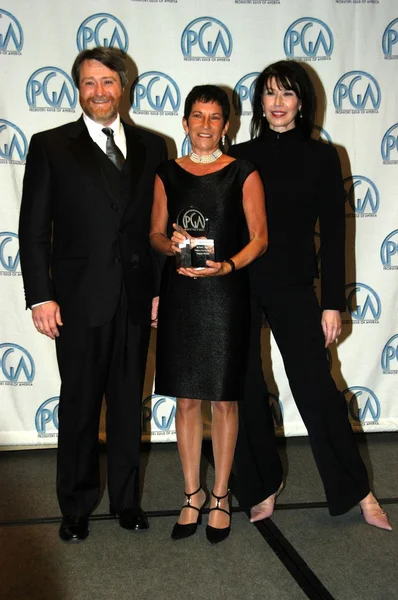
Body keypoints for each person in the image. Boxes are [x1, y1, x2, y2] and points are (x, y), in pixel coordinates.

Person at [229, 60, 392, 531]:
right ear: (259, 101)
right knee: (245, 387)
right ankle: (262, 483)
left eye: (287, 93)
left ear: (302, 102)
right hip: (239, 282)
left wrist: (332, 303)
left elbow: (335, 233)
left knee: (316, 389)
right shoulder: (238, 155)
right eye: (270, 94)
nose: (278, 103)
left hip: (295, 285)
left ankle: (357, 489)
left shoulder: (324, 156)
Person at [18, 47, 167, 542]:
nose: (99, 92)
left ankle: (127, 501)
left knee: (127, 403)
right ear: (77, 89)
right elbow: (34, 229)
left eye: (107, 82)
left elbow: (156, 229)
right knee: (80, 405)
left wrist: (159, 291)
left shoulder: (153, 147)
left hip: (135, 296)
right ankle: (76, 505)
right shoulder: (50, 145)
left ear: (123, 86)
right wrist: (41, 296)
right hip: (78, 299)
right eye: (88, 83)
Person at [150, 85, 268, 543]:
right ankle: (191, 493)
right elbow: (155, 234)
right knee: (185, 399)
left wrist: (230, 266)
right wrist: (171, 244)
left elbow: (259, 238)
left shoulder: (244, 171)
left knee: (224, 399)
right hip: (181, 295)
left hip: (225, 295)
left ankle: (220, 495)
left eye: (215, 117)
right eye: (197, 116)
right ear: (185, 122)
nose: (205, 124)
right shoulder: (167, 173)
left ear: (227, 125)